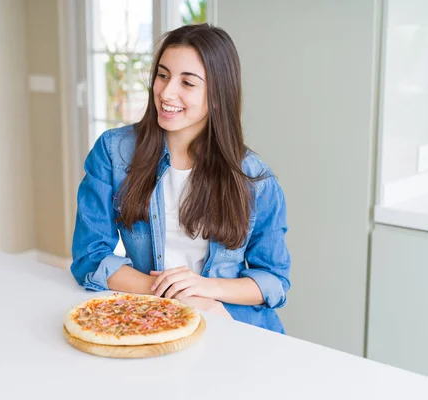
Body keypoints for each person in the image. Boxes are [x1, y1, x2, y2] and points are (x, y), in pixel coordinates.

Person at [70, 23, 291, 334]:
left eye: (188, 82)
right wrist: (166, 294)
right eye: (163, 75)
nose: (166, 92)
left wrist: (207, 291)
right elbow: (90, 257)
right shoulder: (113, 152)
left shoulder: (255, 178)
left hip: (233, 325)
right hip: (152, 318)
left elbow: (274, 280)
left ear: (217, 96)